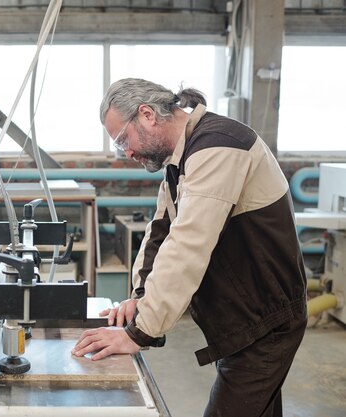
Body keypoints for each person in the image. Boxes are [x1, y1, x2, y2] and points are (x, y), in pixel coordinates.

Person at [73, 78, 307, 417]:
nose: (127, 152)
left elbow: (188, 244)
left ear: (147, 115)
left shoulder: (220, 146)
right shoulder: (181, 159)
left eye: (124, 138)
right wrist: (140, 298)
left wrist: (139, 333)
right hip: (242, 315)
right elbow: (161, 232)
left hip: (267, 320)